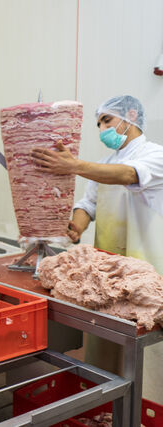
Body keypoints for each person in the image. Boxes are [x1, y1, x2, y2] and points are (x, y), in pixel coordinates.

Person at [31, 95, 163, 401]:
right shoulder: (103, 163)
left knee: (145, 351)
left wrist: (73, 165)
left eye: (106, 120)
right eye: (99, 123)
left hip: (147, 273)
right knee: (107, 346)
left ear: (131, 116)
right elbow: (88, 204)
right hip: (106, 275)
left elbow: (129, 175)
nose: (102, 128)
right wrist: (76, 226)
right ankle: (106, 406)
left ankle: (148, 408)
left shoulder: (155, 154)